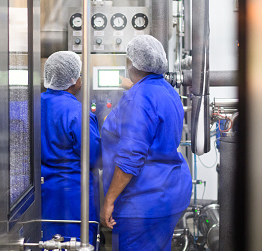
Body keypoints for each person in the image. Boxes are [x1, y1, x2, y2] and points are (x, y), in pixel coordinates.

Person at [100, 35, 192, 250]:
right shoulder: (167, 90)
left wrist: (109, 200)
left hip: (143, 201)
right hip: (170, 192)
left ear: (131, 63)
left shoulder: (137, 99)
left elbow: (130, 158)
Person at [40, 51, 101, 245]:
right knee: (76, 244)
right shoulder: (78, 113)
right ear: (74, 81)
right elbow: (93, 157)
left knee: (46, 243)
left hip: (42, 193)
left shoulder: (31, 104)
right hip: (74, 196)